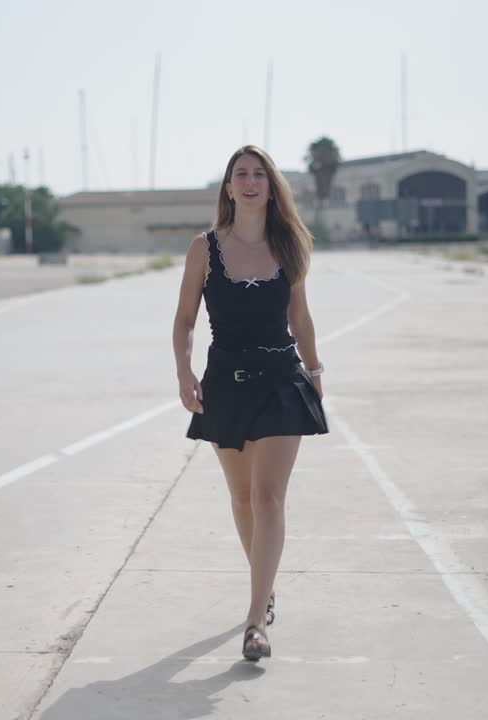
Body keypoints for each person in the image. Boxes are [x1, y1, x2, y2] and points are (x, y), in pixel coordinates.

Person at [171, 145, 328, 662]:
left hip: (283, 379)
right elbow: (185, 319)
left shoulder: (290, 244)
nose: (251, 180)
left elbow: (300, 317)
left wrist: (315, 368)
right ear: (228, 186)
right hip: (226, 383)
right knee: (241, 499)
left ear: (271, 184)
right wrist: (183, 371)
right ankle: (267, 588)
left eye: (260, 173)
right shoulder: (204, 247)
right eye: (241, 173)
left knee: (267, 499)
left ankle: (256, 620)